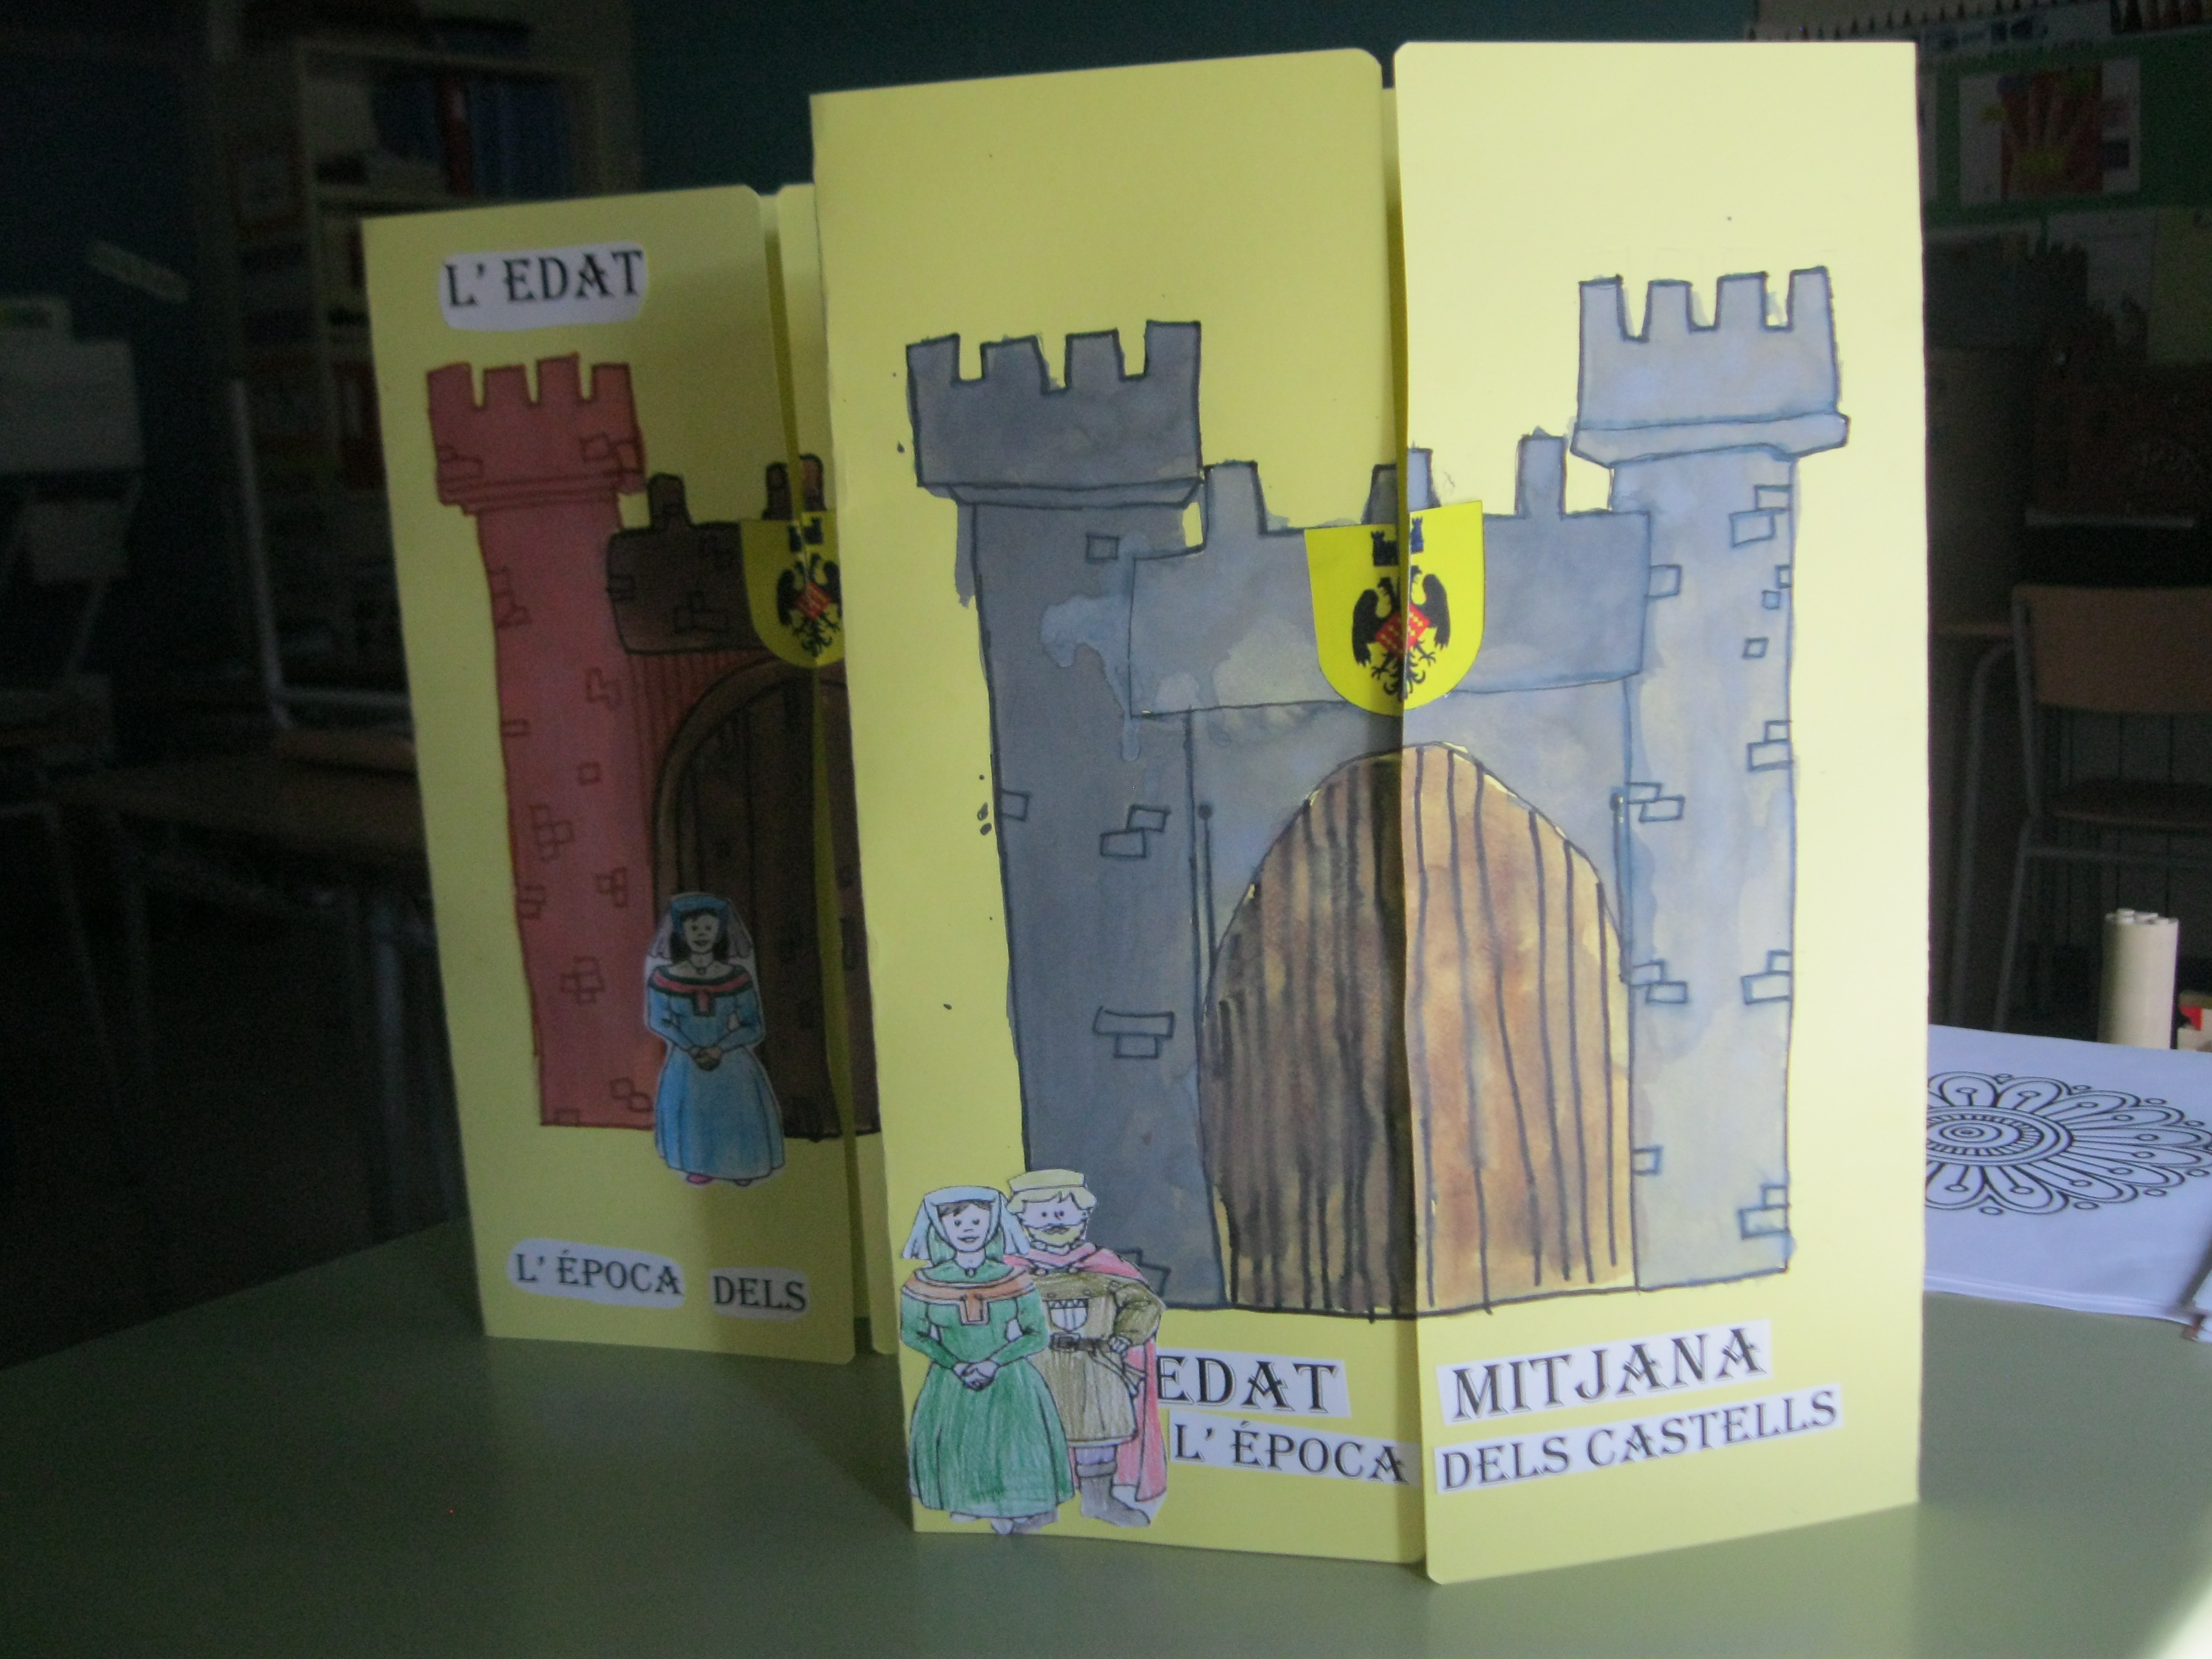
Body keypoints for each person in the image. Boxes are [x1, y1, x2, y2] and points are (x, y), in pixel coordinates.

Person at [899, 1187, 1074, 1534]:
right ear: (941, 1228)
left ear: (992, 1224)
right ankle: (963, 1502)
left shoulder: (1014, 1278)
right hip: (951, 1382)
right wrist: (956, 1364)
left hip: (1010, 1379)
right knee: (958, 1444)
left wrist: (994, 1362)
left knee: (1012, 1444)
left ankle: (1014, 1506)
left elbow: (1036, 1335)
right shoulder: (923, 1282)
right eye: (957, 1222)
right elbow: (912, 1333)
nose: (968, 1229)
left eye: (977, 1221)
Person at [1005, 1168, 1168, 1525]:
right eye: (1042, 1214)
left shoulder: (1105, 1266)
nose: (1054, 1222)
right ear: (1023, 1219)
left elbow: (1144, 1303)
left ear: (1082, 1215)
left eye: (1062, 1212)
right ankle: (1039, 1508)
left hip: (1097, 1364)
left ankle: (1099, 1502)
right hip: (1038, 1366)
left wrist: (1125, 1336)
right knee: (1038, 1435)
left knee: (1099, 1433)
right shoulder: (1013, 1271)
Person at [644, 893, 783, 1185]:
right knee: (694, 1112)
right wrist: (692, 1047)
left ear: (720, 932)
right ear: (681, 932)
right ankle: (698, 1166)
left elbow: (754, 1026)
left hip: (732, 1062)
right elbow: (658, 1020)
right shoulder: (663, 977)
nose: (701, 934)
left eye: (708, 927)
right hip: (687, 1062)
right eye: (694, 928)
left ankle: (744, 1167)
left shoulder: (737, 976)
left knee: (738, 1111)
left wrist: (720, 1048)